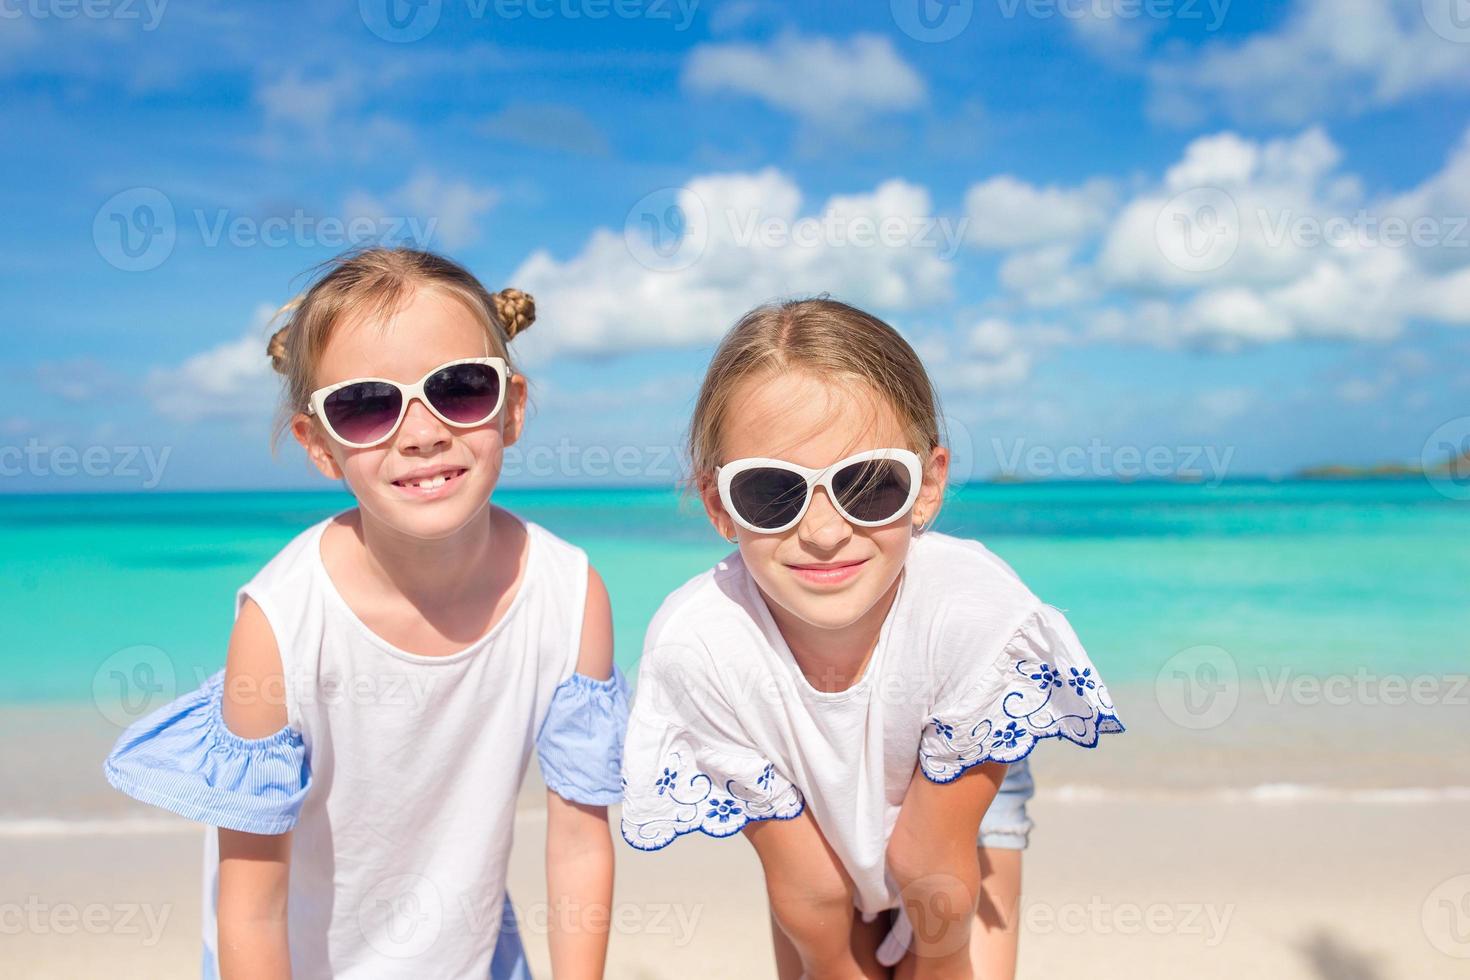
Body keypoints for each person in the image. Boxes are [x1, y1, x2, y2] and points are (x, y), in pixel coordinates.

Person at [105, 246, 627, 978]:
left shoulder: (569, 594)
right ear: (318, 445)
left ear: (511, 407)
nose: (420, 433)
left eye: (459, 389)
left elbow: (577, 844)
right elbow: (251, 904)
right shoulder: (281, 622)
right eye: (366, 405)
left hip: (472, 955)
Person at [619, 298, 1123, 978]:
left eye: (869, 485)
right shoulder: (699, 646)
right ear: (717, 505)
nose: (825, 532)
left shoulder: (975, 614)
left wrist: (936, 955)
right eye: (773, 493)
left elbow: (933, 871)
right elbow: (811, 894)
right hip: (805, 807)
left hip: (955, 784)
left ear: (927, 486)